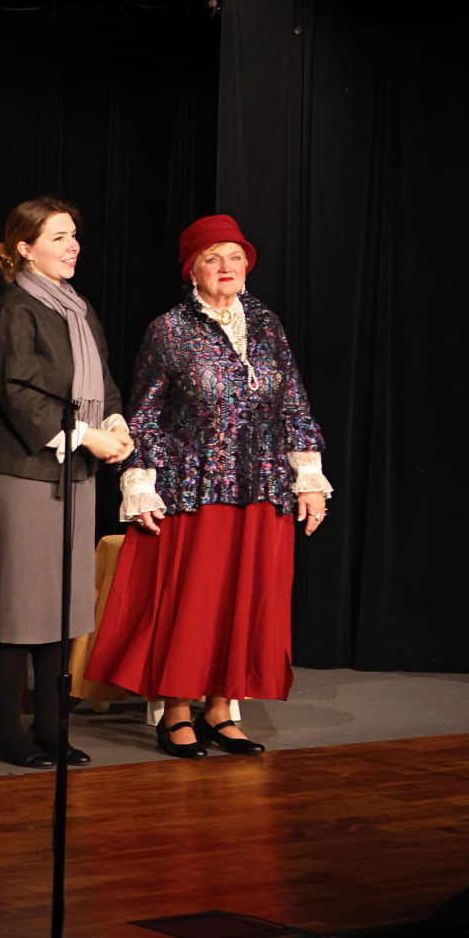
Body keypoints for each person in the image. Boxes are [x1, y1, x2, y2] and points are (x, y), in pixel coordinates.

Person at [92, 213, 332, 759]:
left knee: (245, 600)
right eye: (212, 258)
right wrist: (139, 484)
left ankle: (222, 710)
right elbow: (145, 415)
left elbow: (293, 403)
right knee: (193, 604)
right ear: (192, 270)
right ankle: (177, 711)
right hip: (192, 487)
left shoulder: (267, 325)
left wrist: (309, 479)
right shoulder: (169, 330)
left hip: (262, 485)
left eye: (235, 257)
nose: (226, 267)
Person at [0, 200, 134, 770]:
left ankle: (50, 725)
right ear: (24, 248)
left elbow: (101, 379)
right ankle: (5, 731)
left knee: (62, 604)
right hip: (22, 472)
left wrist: (114, 422)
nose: (74, 246)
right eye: (59, 237)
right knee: (19, 604)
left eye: (74, 236)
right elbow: (20, 394)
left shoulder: (78, 309)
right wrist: (88, 435)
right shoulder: (15, 310)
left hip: (73, 473)